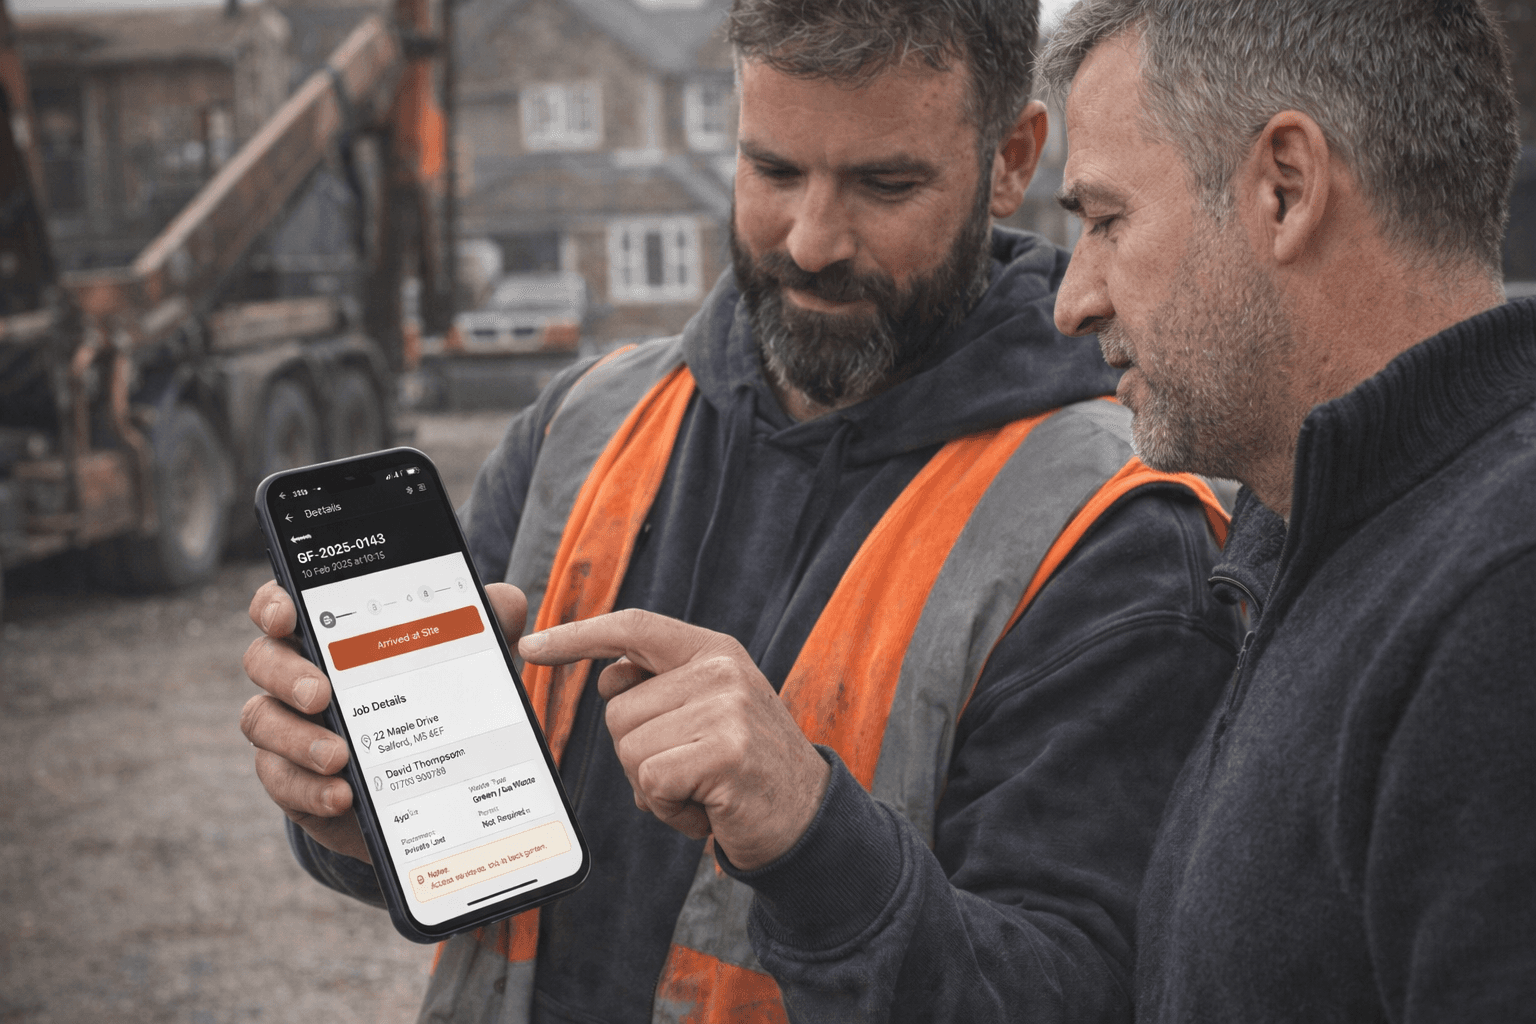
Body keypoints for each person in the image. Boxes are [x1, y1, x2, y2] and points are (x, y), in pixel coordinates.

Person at [240, 1, 1242, 1021]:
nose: (810, 241)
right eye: (772, 171)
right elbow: (463, 878)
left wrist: (814, 835)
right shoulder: (579, 428)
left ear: (1011, 157)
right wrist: (354, 811)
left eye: (884, 184)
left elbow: (1081, 994)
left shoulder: (1115, 534)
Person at [911, 0, 1536, 1018]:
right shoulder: (1319, 537)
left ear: (1285, 188)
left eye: (1108, 220)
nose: (1074, 299)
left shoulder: (1502, 600)